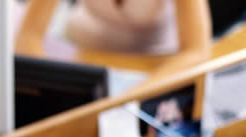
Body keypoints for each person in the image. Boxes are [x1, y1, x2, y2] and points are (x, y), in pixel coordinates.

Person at [15, 0, 212, 79]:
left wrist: (133, 95)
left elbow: (196, 51)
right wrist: (52, 87)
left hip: (154, 65)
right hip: (86, 57)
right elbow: (28, 35)